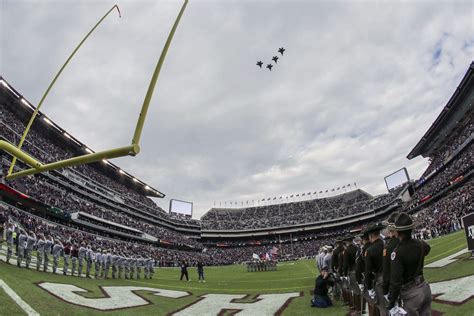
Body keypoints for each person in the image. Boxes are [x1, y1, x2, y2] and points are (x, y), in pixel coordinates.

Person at [387, 213, 432, 315]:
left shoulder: (397, 252)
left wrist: (391, 303)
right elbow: (428, 249)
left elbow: (396, 281)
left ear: (397, 232)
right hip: (424, 287)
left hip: (411, 292)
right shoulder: (421, 244)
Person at [364, 222, 387, 316]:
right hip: (393, 278)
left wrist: (369, 287)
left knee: (383, 308)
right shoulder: (386, 244)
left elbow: (368, 271)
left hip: (380, 280)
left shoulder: (369, 251)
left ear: (370, 235)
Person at [382, 212, 399, 296]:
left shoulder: (388, 247)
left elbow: (387, 271)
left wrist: (385, 290)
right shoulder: (417, 243)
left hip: (399, 285)